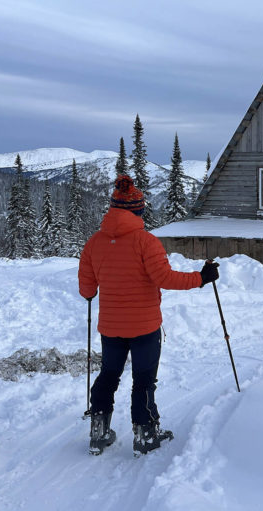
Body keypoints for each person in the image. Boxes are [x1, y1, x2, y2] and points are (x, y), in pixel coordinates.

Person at [79, 175, 219, 456]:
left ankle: (99, 430)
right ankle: (145, 434)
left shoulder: (94, 243)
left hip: (111, 327)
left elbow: (87, 290)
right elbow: (165, 278)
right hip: (144, 327)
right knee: (143, 379)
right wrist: (201, 278)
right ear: (138, 211)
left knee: (109, 375)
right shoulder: (146, 242)